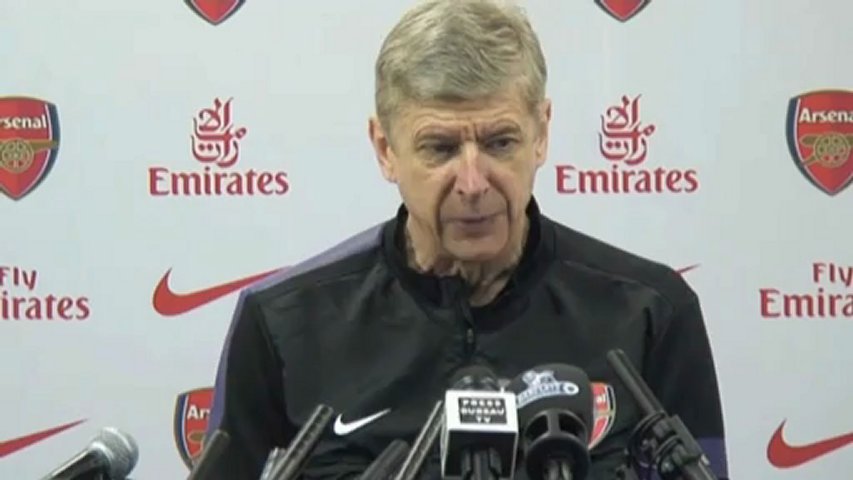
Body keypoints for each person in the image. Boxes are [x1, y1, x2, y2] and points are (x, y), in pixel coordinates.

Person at [203, 0, 729, 478]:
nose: (473, 184)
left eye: (500, 142)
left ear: (542, 133)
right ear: (385, 149)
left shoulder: (652, 313)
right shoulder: (280, 324)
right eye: (440, 148)